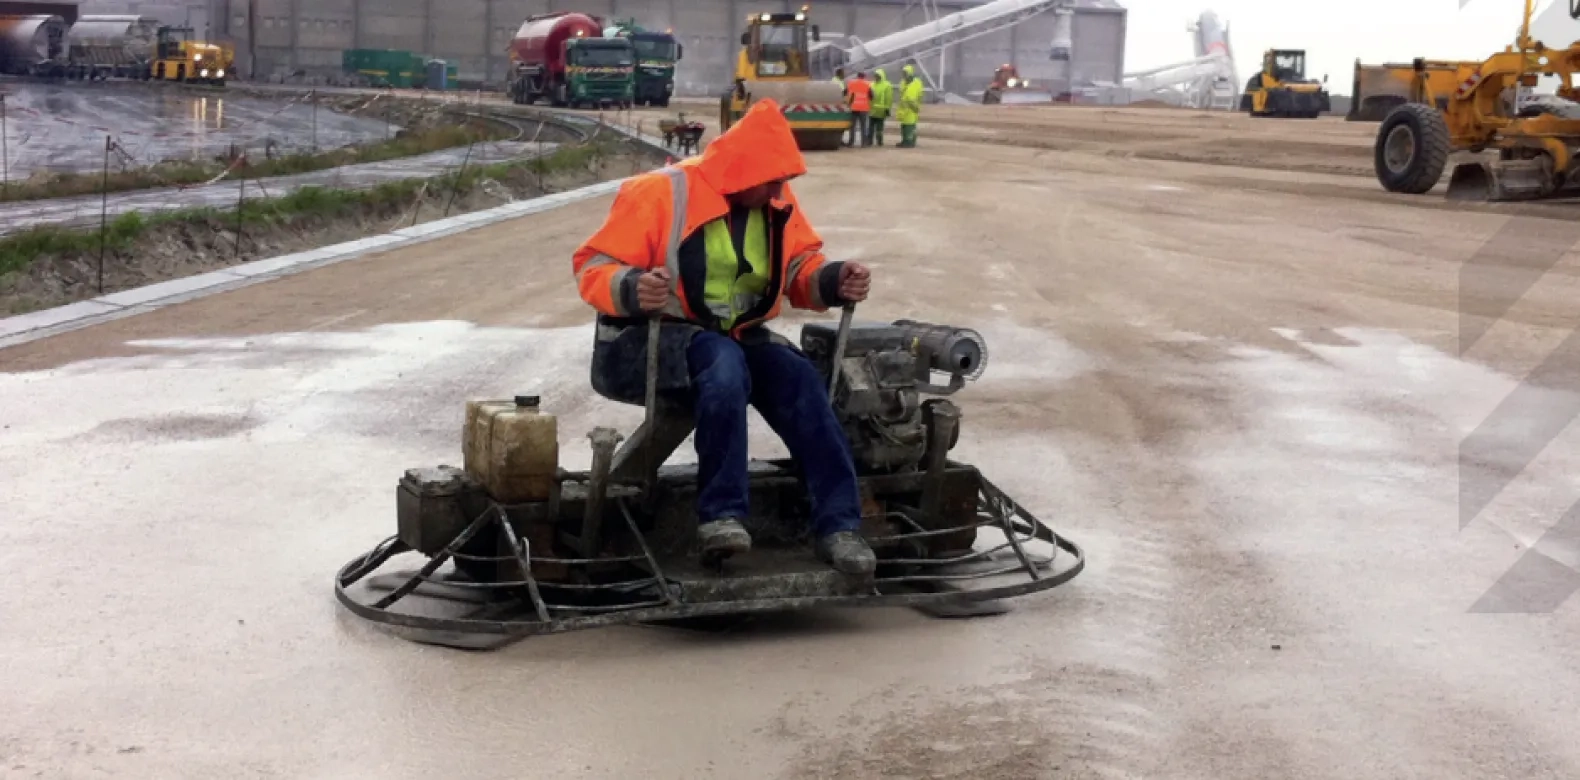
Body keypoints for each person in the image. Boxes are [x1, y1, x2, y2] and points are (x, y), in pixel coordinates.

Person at [570, 99, 878, 576]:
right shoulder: (659, 194)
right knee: (723, 363)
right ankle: (721, 518)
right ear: (741, 173)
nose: (782, 190)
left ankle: (839, 526)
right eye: (773, 180)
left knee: (798, 377)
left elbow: (799, 268)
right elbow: (593, 267)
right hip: (642, 340)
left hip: (732, 336)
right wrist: (632, 287)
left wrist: (834, 279)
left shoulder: (774, 201)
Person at [897, 64, 924, 148]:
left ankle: (910, 142)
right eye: (903, 73)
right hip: (904, 108)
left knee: (910, 125)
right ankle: (905, 140)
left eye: (905, 73)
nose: (904, 75)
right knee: (904, 126)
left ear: (910, 73)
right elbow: (902, 94)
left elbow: (919, 95)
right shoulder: (903, 83)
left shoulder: (916, 83)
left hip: (912, 107)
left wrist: (916, 105)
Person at [843, 71, 872, 147]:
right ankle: (864, 143)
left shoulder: (851, 83)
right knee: (863, 126)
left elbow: (844, 92)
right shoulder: (867, 84)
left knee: (852, 126)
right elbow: (871, 96)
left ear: (857, 76)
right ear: (864, 76)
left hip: (853, 107)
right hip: (864, 108)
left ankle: (851, 142)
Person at [868, 68, 893, 146]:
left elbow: (888, 98)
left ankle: (879, 141)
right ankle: (870, 141)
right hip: (872, 110)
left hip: (881, 110)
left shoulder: (887, 85)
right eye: (875, 75)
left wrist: (887, 108)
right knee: (871, 127)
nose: (876, 77)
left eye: (878, 76)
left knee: (879, 128)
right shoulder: (871, 84)